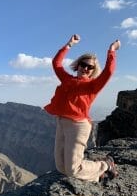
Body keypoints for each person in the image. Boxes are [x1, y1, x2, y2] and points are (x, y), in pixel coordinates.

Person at [44, 34, 121, 182]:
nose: (85, 68)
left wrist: (112, 51)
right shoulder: (67, 79)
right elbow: (56, 63)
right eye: (83, 64)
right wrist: (69, 44)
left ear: (93, 70)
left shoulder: (93, 85)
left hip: (78, 126)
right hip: (62, 122)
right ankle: (99, 176)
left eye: (89, 67)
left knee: (73, 169)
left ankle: (105, 165)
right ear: (78, 65)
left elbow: (109, 72)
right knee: (61, 168)